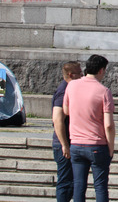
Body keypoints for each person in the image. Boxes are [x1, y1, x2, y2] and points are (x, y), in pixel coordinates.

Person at [63, 55, 115, 202]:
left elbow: (66, 110)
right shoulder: (104, 91)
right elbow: (109, 124)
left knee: (79, 185)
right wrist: (111, 147)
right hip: (97, 144)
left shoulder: (72, 85)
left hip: (76, 143)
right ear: (101, 70)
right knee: (100, 186)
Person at [52, 61, 82, 202]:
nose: (82, 76)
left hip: (70, 142)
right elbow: (57, 120)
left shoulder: (71, 90)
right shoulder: (64, 91)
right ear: (70, 75)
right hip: (64, 144)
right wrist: (64, 144)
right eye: (79, 73)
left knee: (72, 183)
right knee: (65, 182)